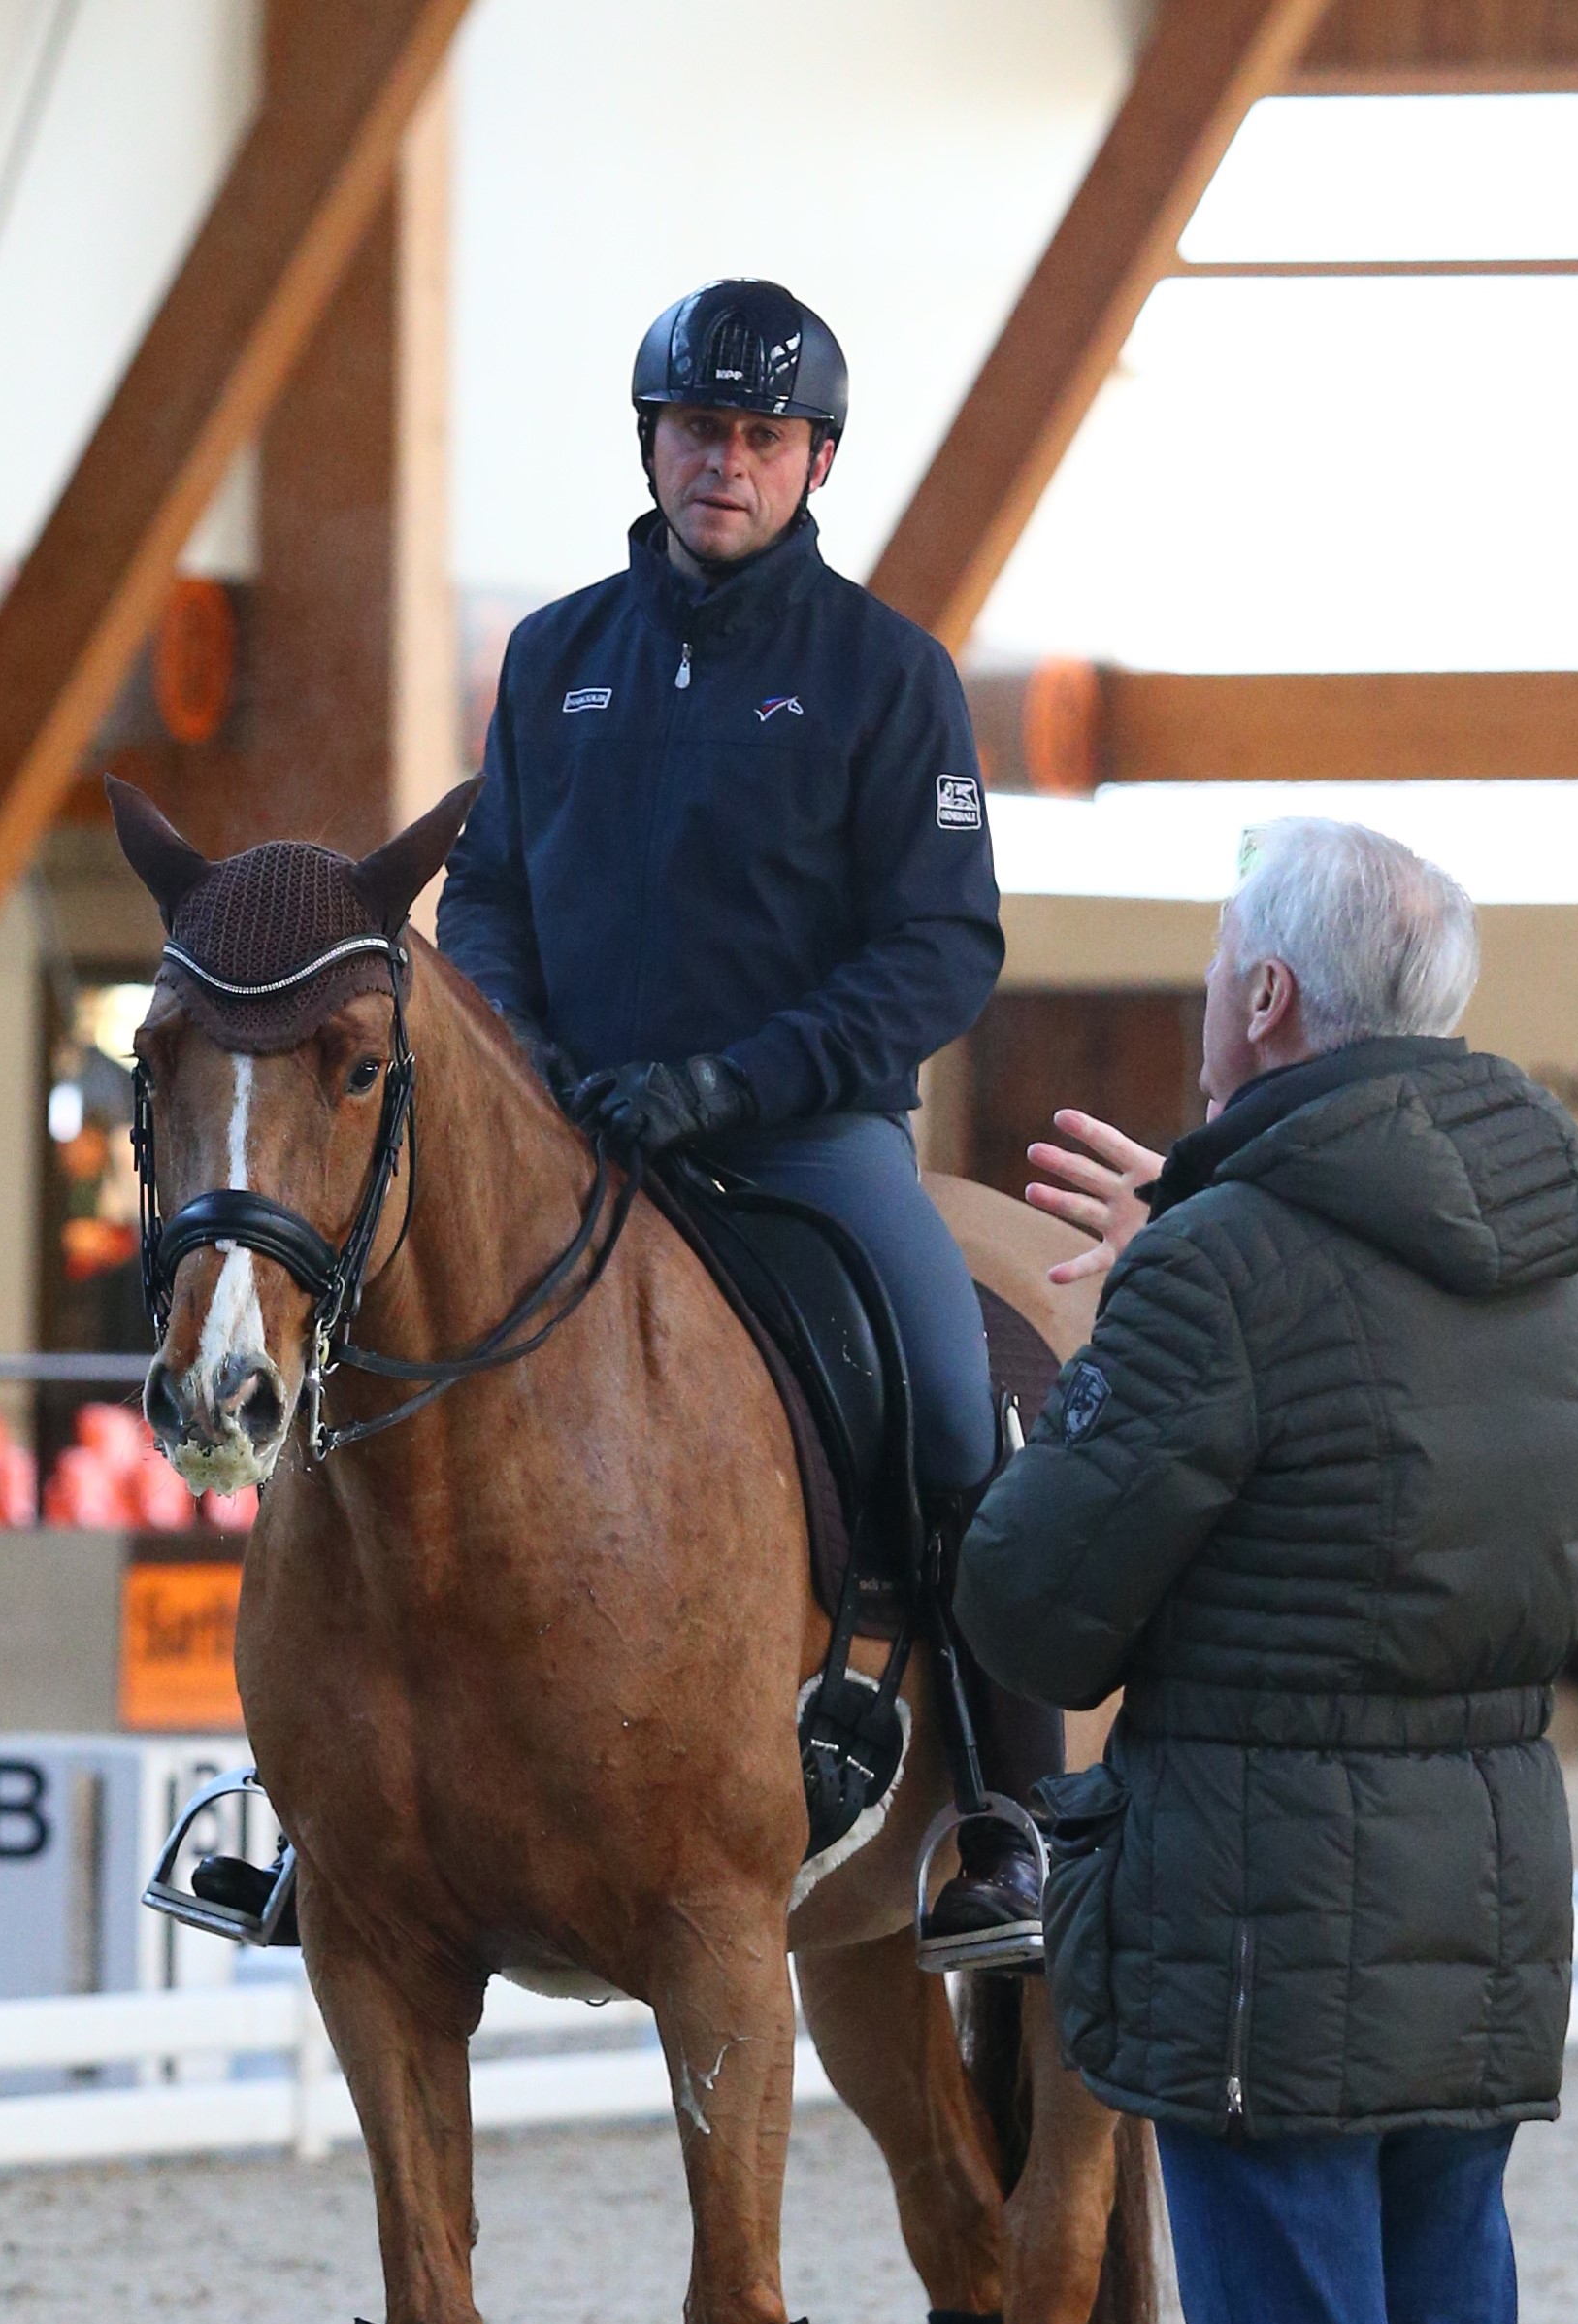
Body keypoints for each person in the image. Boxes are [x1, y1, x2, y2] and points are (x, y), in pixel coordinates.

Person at [956, 818, 1578, 2324]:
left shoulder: (1221, 1271)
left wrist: (1128, 1324)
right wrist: (1190, 1273)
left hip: (1261, 1912)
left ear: (1261, 1014)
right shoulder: (1526, 1234)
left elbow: (1039, 1607)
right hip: (1478, 1881)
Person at [438, 276, 1051, 1954]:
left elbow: (943, 947)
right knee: (365, 1361)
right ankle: (328, 1804)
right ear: (652, 440)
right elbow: (483, 894)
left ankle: (1004, 1818)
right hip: (573, 1132)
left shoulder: (885, 675)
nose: (725, 459)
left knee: (948, 1410)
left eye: (760, 435)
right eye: (699, 427)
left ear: (815, 461)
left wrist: (740, 1076)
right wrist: (524, 1053)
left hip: (799, 1142)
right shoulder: (554, 656)